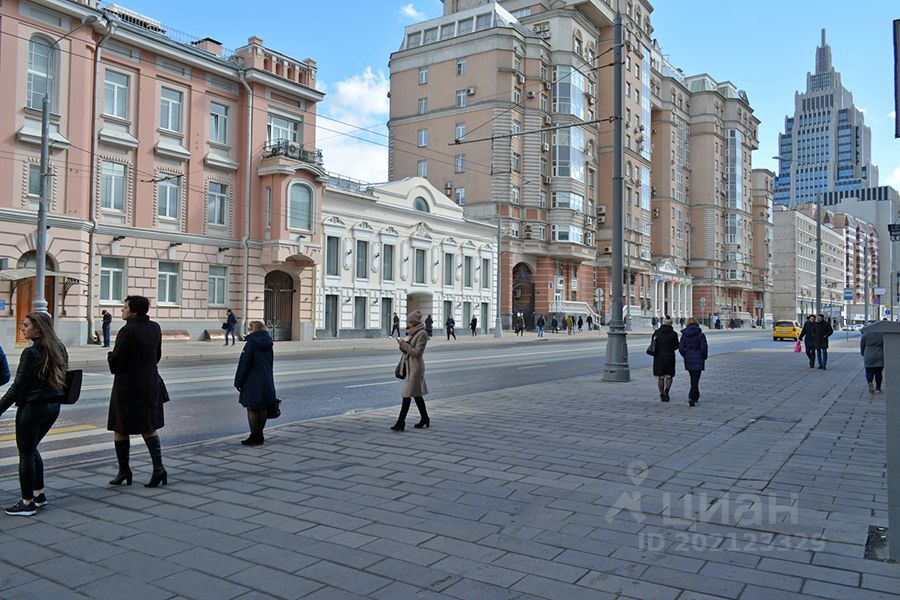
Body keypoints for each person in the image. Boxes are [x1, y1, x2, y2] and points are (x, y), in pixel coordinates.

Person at [0, 313, 67, 516]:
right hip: (52, 407)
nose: (22, 328)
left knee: (26, 453)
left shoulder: (30, 352)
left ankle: (27, 502)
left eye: (26, 325)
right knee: (31, 448)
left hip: (32, 409)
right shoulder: (59, 348)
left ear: (38, 329)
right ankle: (39, 495)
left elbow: (17, 387)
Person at [107, 295, 167, 488]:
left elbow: (117, 361)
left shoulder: (127, 330)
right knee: (148, 426)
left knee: (120, 427)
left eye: (125, 307)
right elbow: (157, 356)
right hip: (149, 381)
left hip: (128, 385)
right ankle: (158, 469)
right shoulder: (155, 327)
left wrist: (110, 356)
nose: (122, 310)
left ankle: (124, 470)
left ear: (133, 311)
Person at [234, 321, 277, 446]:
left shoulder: (251, 344)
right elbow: (270, 362)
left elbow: (244, 364)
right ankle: (260, 435)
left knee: (252, 408)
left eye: (249, 329)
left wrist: (238, 381)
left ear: (252, 329)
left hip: (252, 380)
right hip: (266, 379)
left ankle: (253, 436)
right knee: (262, 407)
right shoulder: (269, 343)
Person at [391, 310, 430, 431]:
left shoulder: (422, 334)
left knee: (406, 394)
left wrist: (404, 345)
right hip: (409, 366)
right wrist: (402, 345)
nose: (407, 324)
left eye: (409, 322)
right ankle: (425, 418)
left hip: (415, 367)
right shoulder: (413, 333)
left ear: (415, 322)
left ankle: (400, 422)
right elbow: (408, 349)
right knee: (417, 395)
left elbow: (417, 353)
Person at [678, 317, 708, 407]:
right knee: (695, 379)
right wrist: (704, 357)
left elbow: (681, 348)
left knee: (693, 378)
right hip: (698, 358)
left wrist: (685, 355)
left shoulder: (684, 335)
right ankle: (692, 397)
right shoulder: (700, 334)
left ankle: (695, 396)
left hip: (689, 358)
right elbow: (704, 348)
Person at [651, 317, 679, 402]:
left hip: (658, 357)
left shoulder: (656, 333)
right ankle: (667, 391)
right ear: (671, 324)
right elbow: (676, 346)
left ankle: (662, 393)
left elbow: (653, 344)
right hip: (670, 357)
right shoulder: (674, 334)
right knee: (669, 376)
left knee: (661, 377)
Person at [860, 324, 884, 393]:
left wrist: (863, 353)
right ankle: (878, 388)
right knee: (878, 373)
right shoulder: (882, 334)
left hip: (869, 354)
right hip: (879, 354)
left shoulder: (866, 334)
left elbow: (862, 345)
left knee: (868, 371)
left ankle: (870, 382)